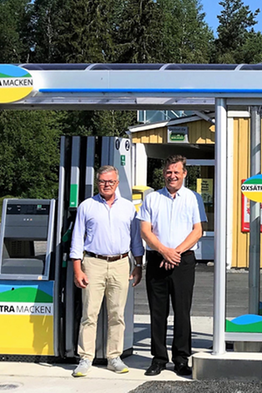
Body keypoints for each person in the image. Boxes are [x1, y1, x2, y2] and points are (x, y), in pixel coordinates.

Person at [69, 165, 145, 377]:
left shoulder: (128, 208)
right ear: (98, 183)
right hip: (93, 263)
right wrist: (77, 269)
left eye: (110, 181)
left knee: (117, 314)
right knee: (89, 314)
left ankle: (114, 357)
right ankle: (85, 358)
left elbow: (136, 240)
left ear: (117, 183)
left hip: (121, 263)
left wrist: (138, 265)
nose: (106, 185)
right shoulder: (87, 206)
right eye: (102, 181)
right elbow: (77, 239)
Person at [138, 155, 207, 377]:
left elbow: (198, 231)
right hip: (158, 259)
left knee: (182, 311)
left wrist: (175, 252)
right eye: (168, 172)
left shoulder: (193, 198)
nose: (172, 176)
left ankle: (181, 359)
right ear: (163, 174)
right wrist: (164, 251)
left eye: (176, 172)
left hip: (183, 261)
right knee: (158, 312)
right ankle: (158, 359)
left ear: (184, 174)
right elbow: (145, 231)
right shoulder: (151, 199)